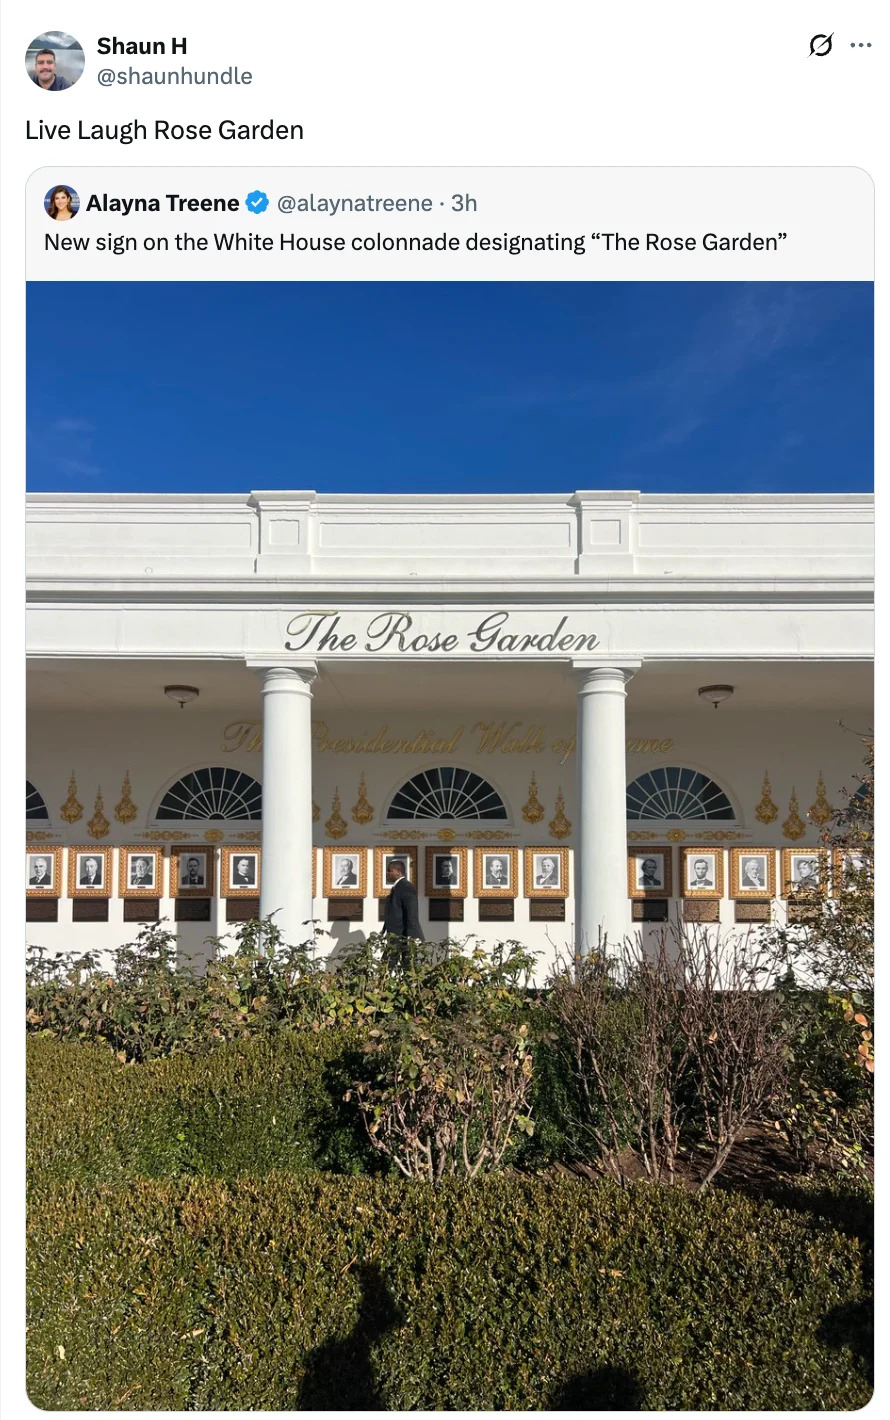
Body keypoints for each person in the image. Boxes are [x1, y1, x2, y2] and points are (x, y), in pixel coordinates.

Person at [382, 858, 422, 959]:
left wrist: (411, 935)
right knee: (396, 963)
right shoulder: (398, 887)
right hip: (396, 935)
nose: (387, 873)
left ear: (398, 872)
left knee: (393, 963)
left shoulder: (405, 886)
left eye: (390, 870)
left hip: (402, 935)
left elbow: (411, 911)